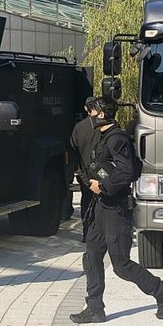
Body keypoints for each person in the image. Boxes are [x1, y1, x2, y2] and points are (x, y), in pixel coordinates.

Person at [70, 97, 163, 324]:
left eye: (93, 112)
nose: (90, 115)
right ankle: (95, 308)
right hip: (99, 207)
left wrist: (103, 186)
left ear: (101, 114)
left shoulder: (117, 139)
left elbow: (127, 172)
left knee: (120, 265)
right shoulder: (102, 136)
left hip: (116, 209)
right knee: (92, 256)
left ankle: (162, 291)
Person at [69, 97, 101, 241]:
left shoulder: (79, 127)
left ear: (85, 108)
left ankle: (87, 233)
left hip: (84, 171)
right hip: (102, 170)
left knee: (86, 200)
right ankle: (100, 233)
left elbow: (73, 147)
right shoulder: (105, 125)